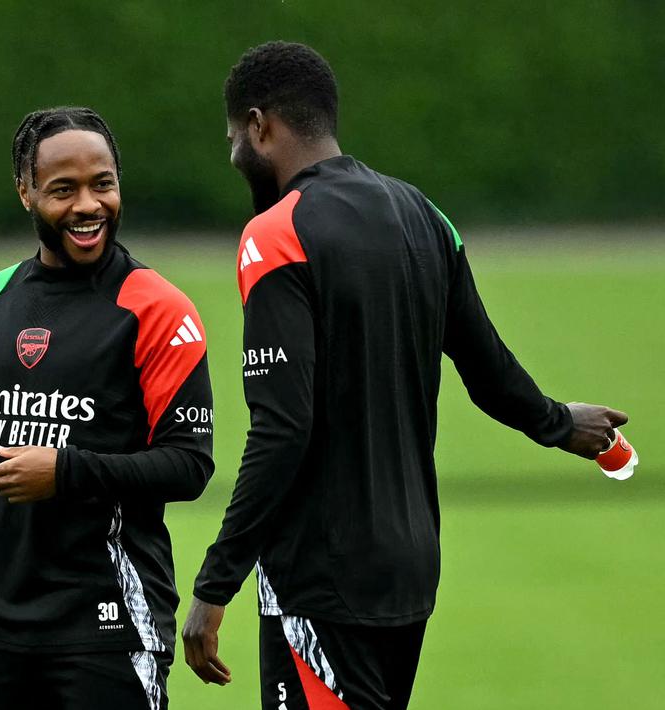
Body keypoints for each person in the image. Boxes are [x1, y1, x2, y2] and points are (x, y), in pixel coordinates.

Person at [180, 41, 629, 710]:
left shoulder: (276, 234)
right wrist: (558, 422)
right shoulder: (424, 215)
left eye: (232, 139)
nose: (234, 156)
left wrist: (213, 587)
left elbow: (282, 428)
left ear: (260, 125)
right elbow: (487, 368)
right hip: (410, 567)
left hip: (320, 577)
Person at [0, 106, 215, 709]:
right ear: (26, 193)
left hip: (112, 627)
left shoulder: (158, 309)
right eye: (63, 190)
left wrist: (64, 471)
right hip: (0, 631)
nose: (88, 206)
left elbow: (189, 465)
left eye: (103, 184)